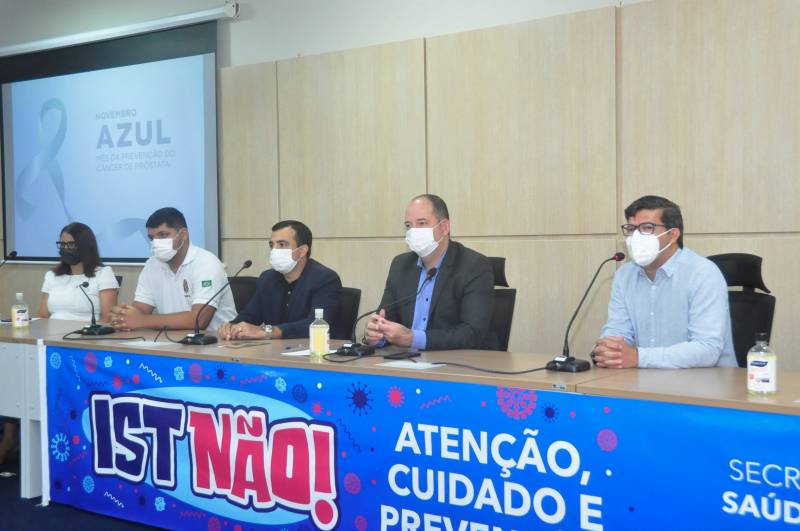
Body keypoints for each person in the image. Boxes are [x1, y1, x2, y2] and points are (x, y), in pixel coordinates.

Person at [593, 195, 736, 369]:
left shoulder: (703, 273)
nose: (636, 236)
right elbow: (618, 332)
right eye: (631, 229)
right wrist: (608, 350)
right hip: (643, 382)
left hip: (705, 385)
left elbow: (707, 349)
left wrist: (639, 357)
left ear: (673, 234)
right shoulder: (624, 276)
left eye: (647, 228)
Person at [364, 194, 494, 350]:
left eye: (422, 223)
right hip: (404, 361)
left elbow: (472, 333)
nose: (413, 231)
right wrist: (376, 335)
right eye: (408, 226)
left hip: (453, 364)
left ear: (444, 227)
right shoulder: (400, 265)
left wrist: (413, 338)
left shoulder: (474, 266)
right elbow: (385, 319)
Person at [110, 207, 236, 331]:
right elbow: (142, 308)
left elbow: (199, 319)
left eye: (163, 235)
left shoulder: (207, 263)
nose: (156, 242)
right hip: (172, 342)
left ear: (183, 235)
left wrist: (141, 320)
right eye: (152, 238)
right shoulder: (152, 264)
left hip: (215, 344)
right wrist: (124, 315)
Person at [218, 220, 341, 340]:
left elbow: (315, 324)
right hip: (275, 352)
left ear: (302, 251)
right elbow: (250, 315)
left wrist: (268, 331)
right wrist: (232, 326)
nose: (274, 250)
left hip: (314, 352)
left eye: (282, 244)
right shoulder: (267, 279)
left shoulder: (325, 279)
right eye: (272, 245)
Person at [39, 222, 118, 322]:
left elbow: (107, 319)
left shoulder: (103, 274)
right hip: (51, 335)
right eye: (62, 245)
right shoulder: (51, 276)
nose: (66, 249)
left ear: (85, 246)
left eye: (71, 245)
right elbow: (43, 315)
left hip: (86, 335)